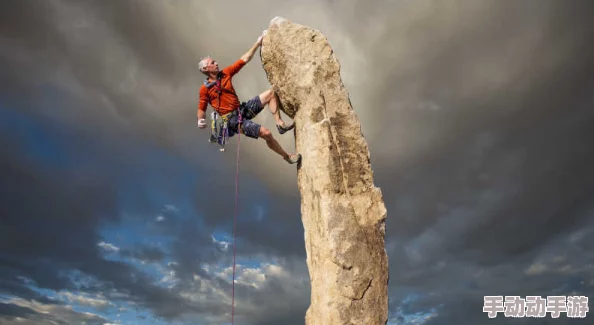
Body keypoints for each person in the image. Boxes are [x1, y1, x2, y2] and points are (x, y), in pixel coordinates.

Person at [196, 31, 301, 165]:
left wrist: (257, 44)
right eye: (213, 62)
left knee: (270, 93)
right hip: (232, 120)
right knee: (266, 133)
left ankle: (279, 124)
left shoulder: (225, 74)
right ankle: (287, 157)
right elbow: (202, 107)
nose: (216, 63)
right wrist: (200, 120)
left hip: (241, 110)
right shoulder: (205, 89)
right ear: (206, 68)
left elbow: (244, 59)